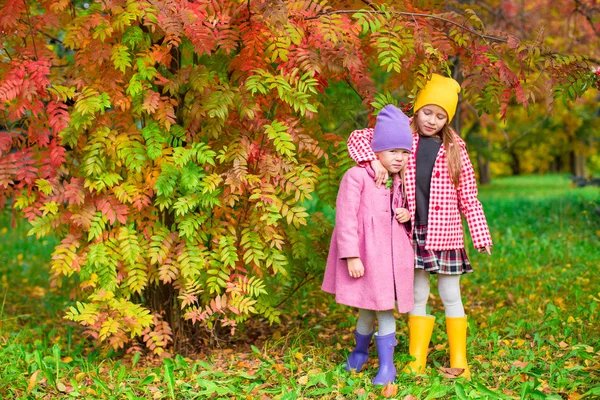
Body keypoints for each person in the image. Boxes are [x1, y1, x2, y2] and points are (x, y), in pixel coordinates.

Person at [346, 74, 493, 379]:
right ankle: (416, 359)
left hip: (447, 233)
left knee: (451, 292)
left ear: (448, 119)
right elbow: (358, 138)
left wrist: (479, 233)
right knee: (417, 292)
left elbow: (469, 195)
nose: (432, 120)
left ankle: (459, 358)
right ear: (417, 109)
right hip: (413, 232)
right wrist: (371, 161)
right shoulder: (402, 137)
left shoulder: (456, 148)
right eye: (428, 112)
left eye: (441, 116)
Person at [322, 105, 415, 386]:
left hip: (389, 257)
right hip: (367, 254)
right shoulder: (356, 176)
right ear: (376, 152)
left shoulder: (398, 180)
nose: (399, 158)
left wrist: (406, 214)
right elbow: (346, 218)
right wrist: (351, 256)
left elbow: (399, 211)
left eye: (404, 152)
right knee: (367, 307)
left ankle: (388, 366)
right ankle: (360, 351)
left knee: (384, 307)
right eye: (392, 152)